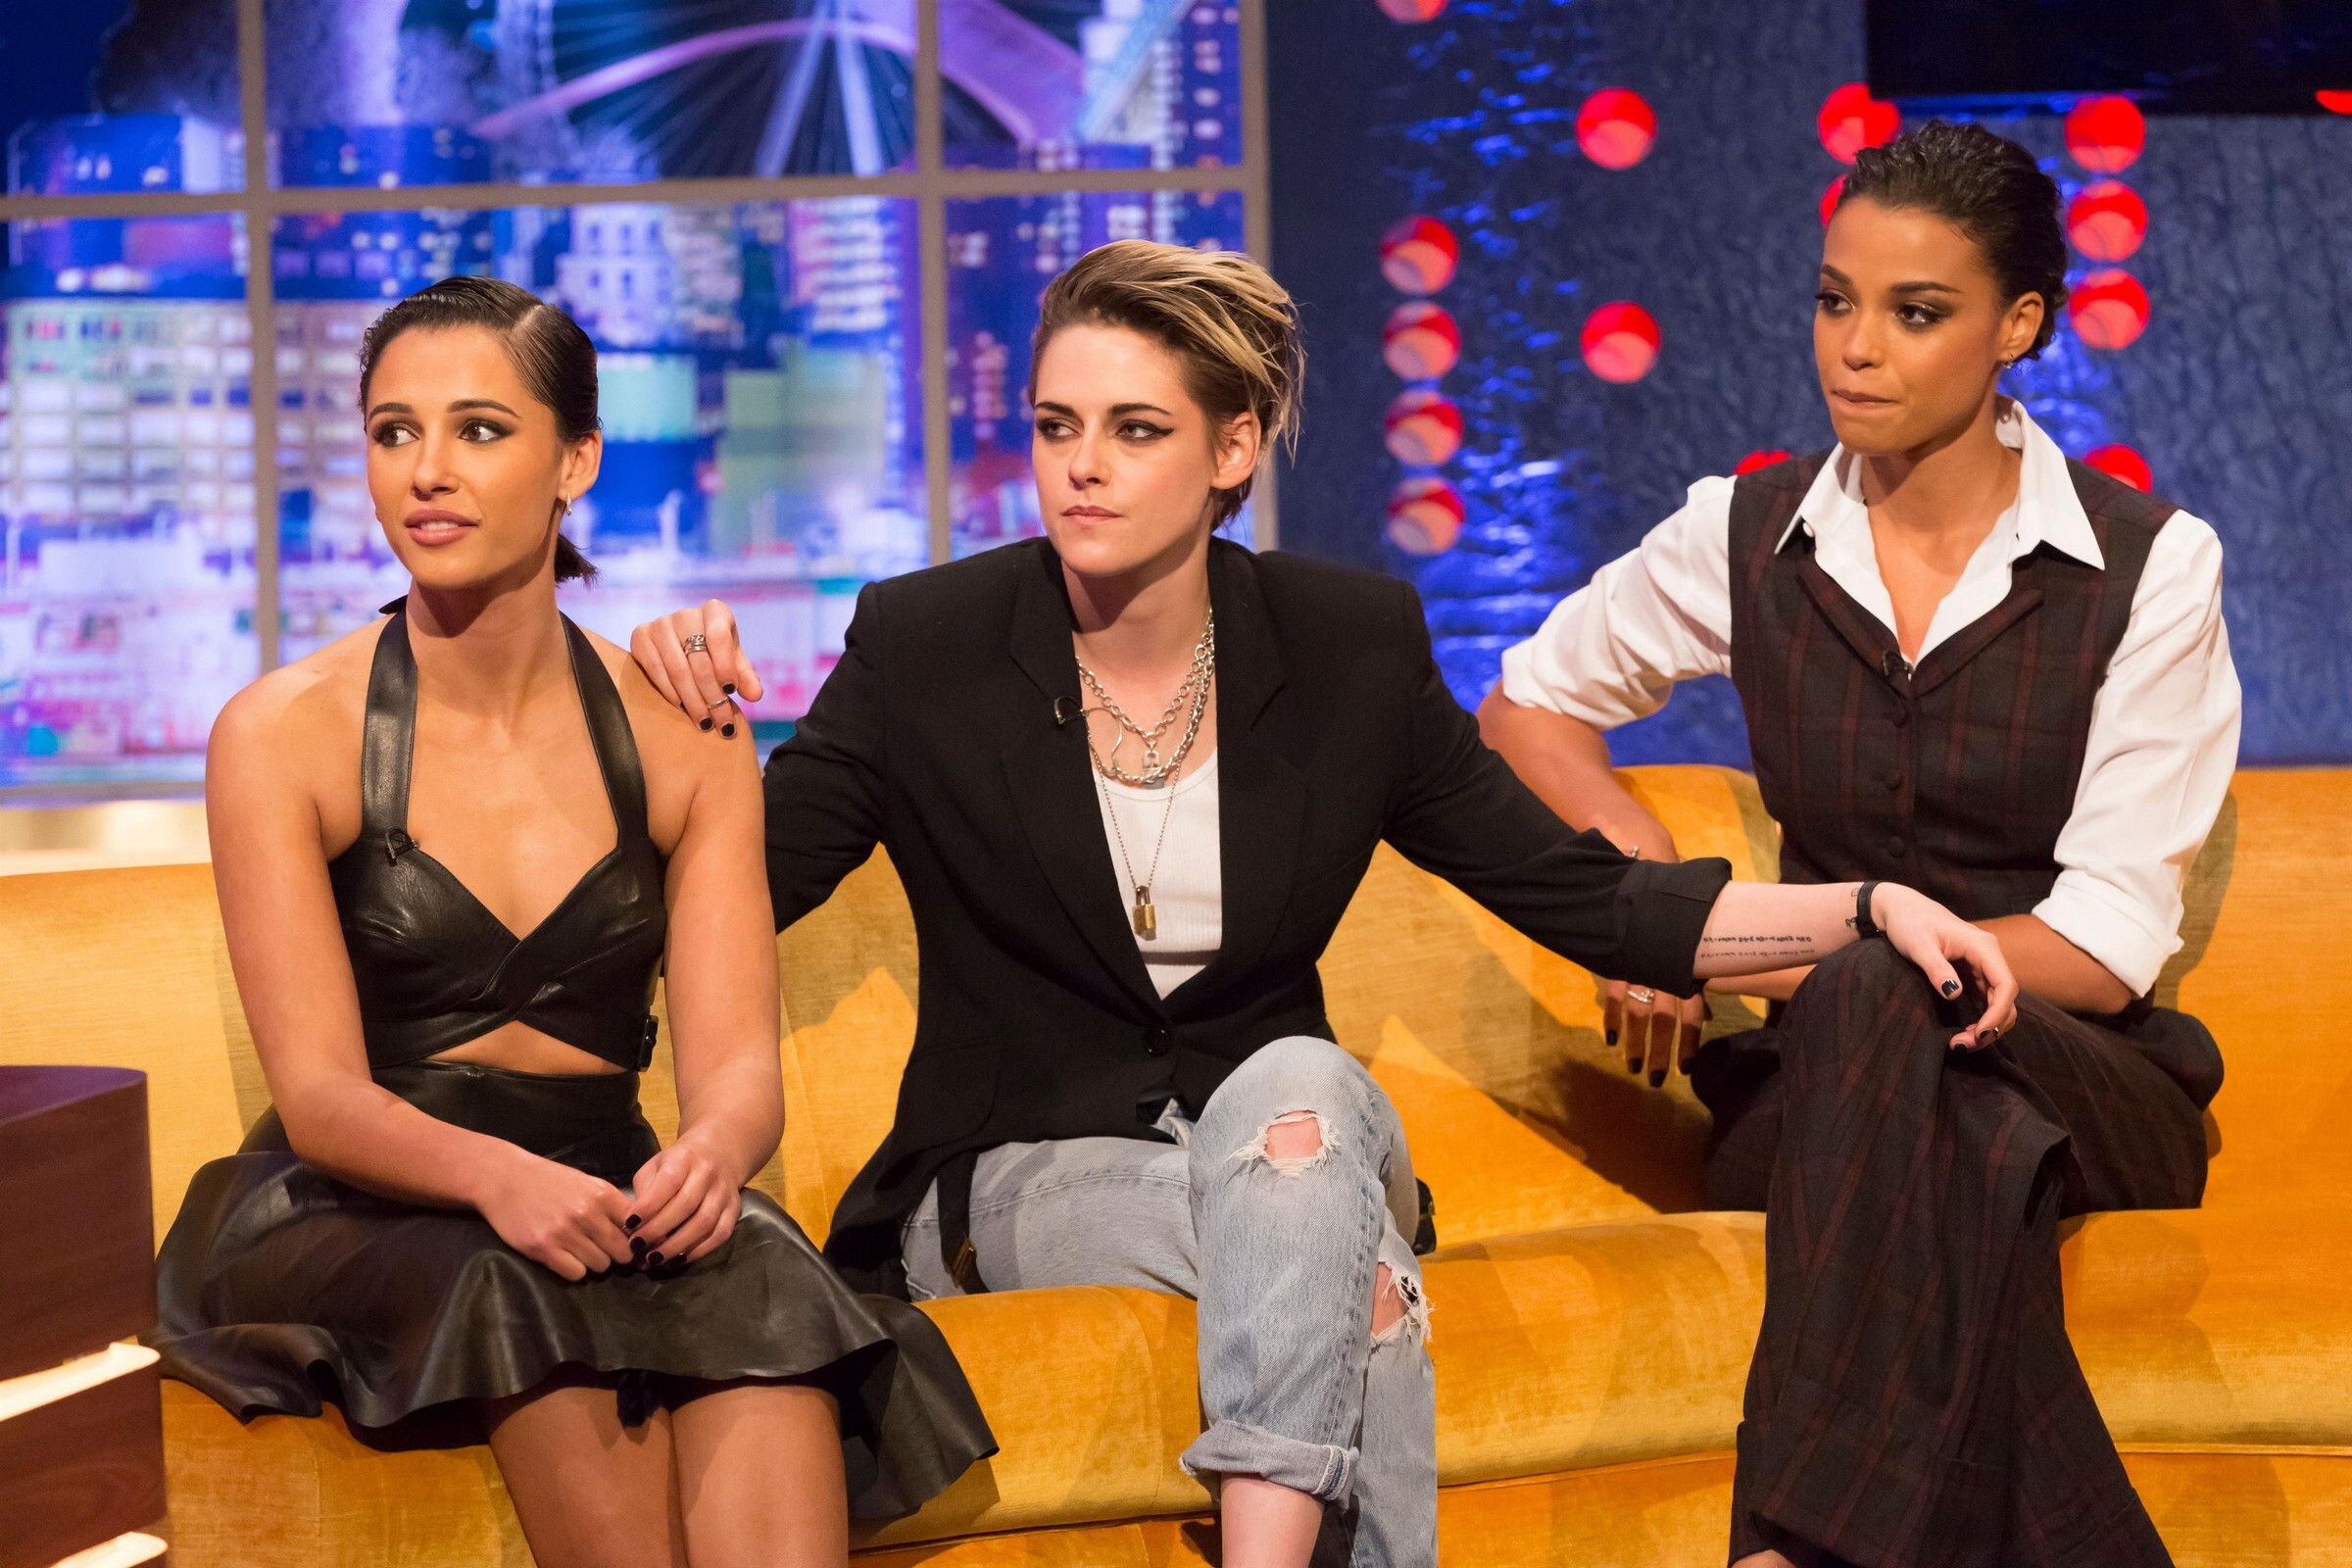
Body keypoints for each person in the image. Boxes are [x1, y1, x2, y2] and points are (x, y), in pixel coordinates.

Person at [631, 240, 2017, 1568]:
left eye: (1135, 429)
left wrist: (1868, 909)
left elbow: (1593, 901)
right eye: (1057, 427)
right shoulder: (926, 645)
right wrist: (642, 713)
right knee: (1354, 1272)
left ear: (1232, 449)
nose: (1082, 467)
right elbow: (715, 892)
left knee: (1297, 1093)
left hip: (1294, 1137)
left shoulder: (1348, 648)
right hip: (1020, 1176)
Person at [1479, 122, 2239, 1568]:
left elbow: (2101, 948)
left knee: (1892, 992)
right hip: (1821, 1096)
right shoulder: (1746, 533)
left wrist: (1809, 952)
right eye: (1836, 300)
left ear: (2019, 327)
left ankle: (1789, 1541)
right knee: (1933, 1109)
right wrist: (1649, 892)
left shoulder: (2151, 567)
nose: (1857, 348)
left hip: (2085, 1090)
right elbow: (1527, 707)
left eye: (1917, 311)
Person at [149, 277, 992, 1568]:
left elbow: (736, 1071)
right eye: (392, 431)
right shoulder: (280, 734)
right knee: (515, 1274)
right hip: (361, 1203)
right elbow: (319, 1100)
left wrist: (713, 1155)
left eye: (480, 429)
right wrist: (501, 1182)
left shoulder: (688, 732)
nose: (427, 471)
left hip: (605, 1182)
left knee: (763, 1261)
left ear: (576, 461)